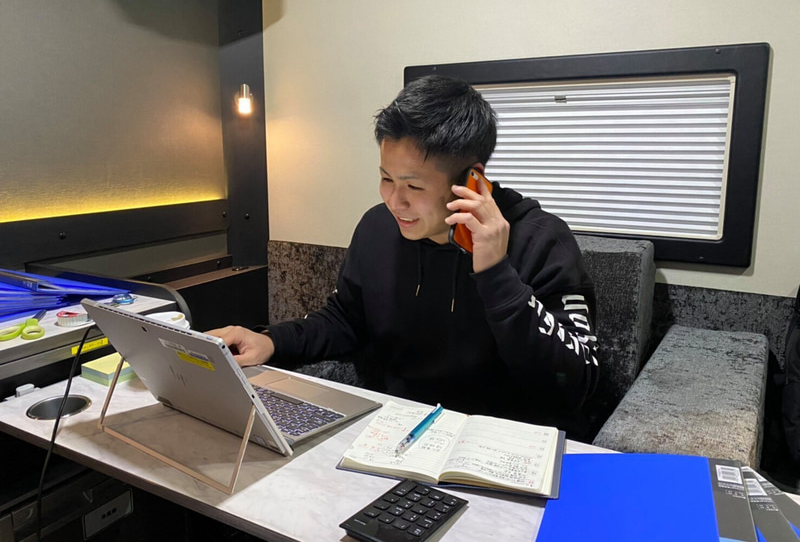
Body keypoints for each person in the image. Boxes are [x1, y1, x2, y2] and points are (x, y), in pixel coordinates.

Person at [210, 75, 600, 437]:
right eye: (386, 179)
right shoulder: (378, 228)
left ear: (472, 180)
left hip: (503, 442)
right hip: (401, 432)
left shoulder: (541, 241)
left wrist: (496, 274)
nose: (395, 202)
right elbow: (346, 320)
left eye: (413, 186)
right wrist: (271, 342)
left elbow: (574, 384)